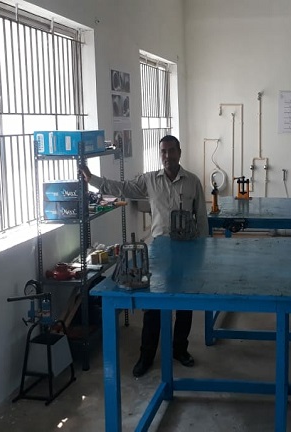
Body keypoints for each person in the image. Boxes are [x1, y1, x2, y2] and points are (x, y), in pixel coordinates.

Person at [80, 135, 209, 377]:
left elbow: (201, 217)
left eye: (171, 150)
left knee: (185, 304)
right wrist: (93, 180)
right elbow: (123, 188)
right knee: (153, 305)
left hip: (187, 250)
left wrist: (203, 251)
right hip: (159, 251)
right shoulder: (149, 180)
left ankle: (180, 349)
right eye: (163, 151)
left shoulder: (192, 181)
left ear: (179, 152)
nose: (167, 155)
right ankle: (146, 355)